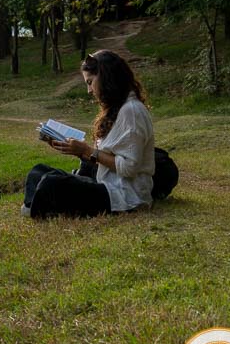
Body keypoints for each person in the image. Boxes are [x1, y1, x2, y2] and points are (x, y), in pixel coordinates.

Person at [21, 50, 155, 219]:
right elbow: (104, 159)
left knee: (51, 183)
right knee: (38, 171)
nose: (89, 90)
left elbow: (129, 167)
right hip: (105, 184)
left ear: (106, 77)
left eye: (90, 82)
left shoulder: (132, 111)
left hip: (125, 195)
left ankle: (35, 207)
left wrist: (88, 151)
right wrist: (80, 152)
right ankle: (37, 206)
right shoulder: (117, 109)